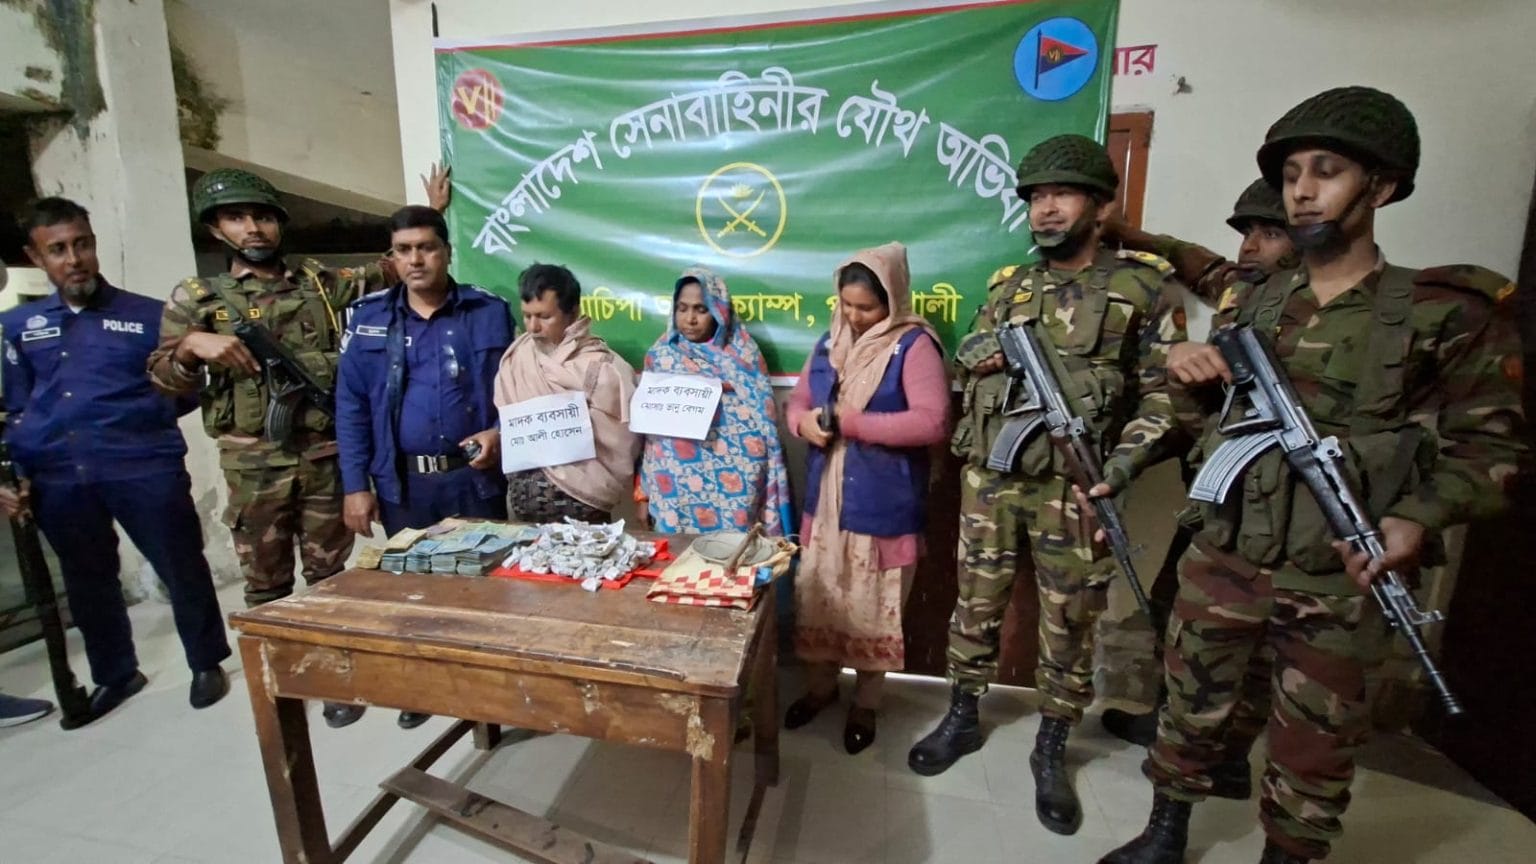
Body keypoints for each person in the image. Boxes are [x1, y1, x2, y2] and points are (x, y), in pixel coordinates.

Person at [1094, 86, 1525, 864]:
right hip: (1227, 553)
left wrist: (1417, 517)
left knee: (1316, 741)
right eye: (1292, 173)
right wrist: (1191, 374)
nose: (1301, 190)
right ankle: (1165, 831)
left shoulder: (1441, 311)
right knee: (1189, 703)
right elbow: (1216, 425)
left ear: (1381, 187)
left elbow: (1491, 447)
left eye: (1326, 171)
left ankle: (1288, 853)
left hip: (1339, 574)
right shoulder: (1253, 301)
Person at [906, 134, 1186, 837]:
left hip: (1077, 489)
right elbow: (966, 360)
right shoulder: (1009, 287)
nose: (1045, 209)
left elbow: (1164, 400)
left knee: (1071, 622)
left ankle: (1053, 744)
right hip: (994, 480)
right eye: (1035, 197)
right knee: (975, 605)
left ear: (1100, 205)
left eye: (1061, 194)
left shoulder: (1142, 288)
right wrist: (985, 352)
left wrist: (1117, 471)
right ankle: (963, 715)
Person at [148, 166, 449, 729]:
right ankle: (284, 678)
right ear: (215, 229)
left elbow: (395, 263)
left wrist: (431, 209)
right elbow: (162, 379)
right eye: (237, 218)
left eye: (263, 217)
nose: (253, 228)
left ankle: (332, 679)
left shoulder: (319, 283)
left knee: (330, 579)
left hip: (322, 457)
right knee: (266, 584)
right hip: (252, 464)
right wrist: (191, 346)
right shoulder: (198, 299)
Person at [1091, 180, 1295, 783]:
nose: (1251, 246)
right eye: (1247, 233)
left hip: (1287, 506)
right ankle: (1174, 723)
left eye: (1269, 233)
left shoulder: (1322, 312)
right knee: (1173, 610)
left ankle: (1229, 757)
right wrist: (1128, 234)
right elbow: (1197, 262)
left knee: (1261, 646)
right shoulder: (1241, 289)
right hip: (1217, 497)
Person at [2, 197, 231, 719]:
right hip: (59, 476)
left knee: (181, 566)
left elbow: (184, 390)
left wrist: (137, 426)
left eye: (82, 244)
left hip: (143, 467)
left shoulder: (148, 315)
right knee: (87, 579)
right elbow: (15, 406)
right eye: (58, 249)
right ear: (36, 257)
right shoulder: (18, 326)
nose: (74, 259)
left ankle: (205, 662)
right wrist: (18, 473)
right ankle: (116, 672)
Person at [334, 204, 512, 729]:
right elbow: (351, 406)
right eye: (404, 250)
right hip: (404, 484)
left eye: (426, 248)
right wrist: (355, 485)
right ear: (392, 257)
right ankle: (422, 686)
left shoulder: (488, 311)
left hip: (473, 478)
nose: (416, 260)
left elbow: (517, 388)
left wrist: (501, 433)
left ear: (446, 252)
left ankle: (484, 689)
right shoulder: (368, 319)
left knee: (482, 587)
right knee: (413, 589)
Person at [782, 242, 949, 754]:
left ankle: (866, 705)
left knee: (876, 609)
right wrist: (803, 423)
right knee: (820, 601)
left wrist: (854, 424)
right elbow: (798, 402)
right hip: (826, 506)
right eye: (847, 305)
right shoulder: (827, 343)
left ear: (892, 300)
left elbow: (932, 421)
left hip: (882, 504)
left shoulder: (913, 346)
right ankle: (821, 691)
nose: (854, 317)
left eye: (867, 308)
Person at [635, 266, 792, 536]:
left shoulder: (743, 356)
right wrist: (643, 492)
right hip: (675, 486)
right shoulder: (661, 356)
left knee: (731, 553)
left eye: (701, 310)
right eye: (682, 309)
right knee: (678, 554)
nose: (690, 319)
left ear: (720, 311)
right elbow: (649, 437)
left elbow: (763, 425)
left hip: (736, 488)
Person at [494, 264, 639, 522]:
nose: (533, 327)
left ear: (572, 313)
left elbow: (623, 437)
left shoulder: (604, 369)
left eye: (544, 317)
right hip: (523, 511)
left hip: (585, 512)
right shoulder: (517, 359)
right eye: (527, 316)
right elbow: (509, 424)